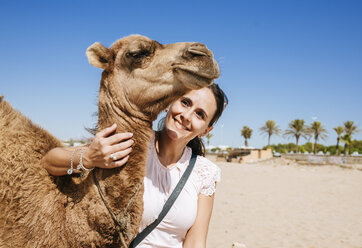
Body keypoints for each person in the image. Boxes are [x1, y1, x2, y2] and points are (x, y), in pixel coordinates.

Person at [42, 84, 228, 248]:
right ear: (170, 102)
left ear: (205, 130)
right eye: (185, 102)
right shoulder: (131, 143)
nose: (186, 116)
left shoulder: (205, 173)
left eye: (199, 114)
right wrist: (90, 157)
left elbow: (196, 242)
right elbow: (50, 161)